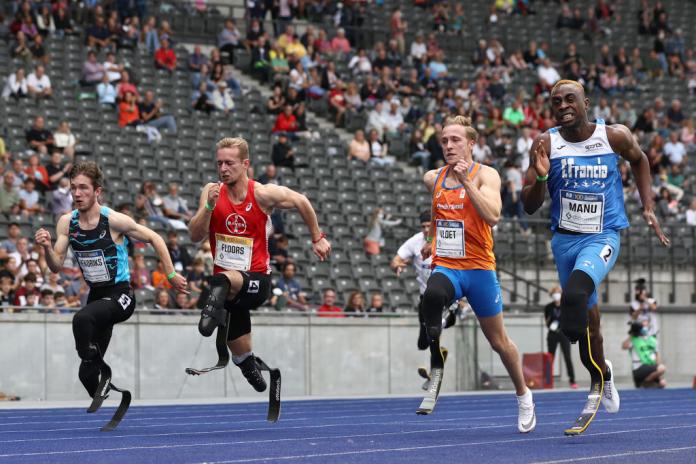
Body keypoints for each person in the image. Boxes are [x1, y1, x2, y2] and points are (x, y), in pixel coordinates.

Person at [521, 79, 670, 435]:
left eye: (570, 99)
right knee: (591, 320)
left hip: (602, 236)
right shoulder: (545, 143)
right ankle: (601, 372)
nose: (563, 105)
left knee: (573, 299)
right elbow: (529, 205)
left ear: (586, 102)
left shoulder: (613, 136)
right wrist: (541, 176)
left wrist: (647, 206)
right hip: (564, 241)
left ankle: (594, 386)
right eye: (556, 101)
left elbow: (641, 159)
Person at [34, 162, 187, 410]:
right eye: (73, 188)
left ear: (97, 191)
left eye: (83, 188)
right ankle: (105, 392)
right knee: (85, 374)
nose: (77, 193)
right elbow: (55, 265)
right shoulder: (67, 222)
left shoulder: (114, 220)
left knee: (81, 320)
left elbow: (154, 237)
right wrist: (47, 249)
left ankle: (101, 367)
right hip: (97, 298)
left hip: (120, 295)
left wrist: (170, 274)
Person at [419, 115, 535, 433]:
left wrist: (467, 182)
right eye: (444, 141)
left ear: (471, 143)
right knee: (432, 294)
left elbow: (494, 216)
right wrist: (431, 241)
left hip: (480, 269)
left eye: (455, 140)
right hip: (449, 265)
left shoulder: (487, 175)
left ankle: (524, 395)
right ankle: (435, 360)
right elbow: (435, 210)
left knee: (499, 342)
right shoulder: (434, 177)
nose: (448, 145)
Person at [188, 137, 330, 393]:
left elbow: (301, 201)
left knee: (221, 281)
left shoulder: (262, 193)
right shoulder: (212, 191)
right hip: (226, 290)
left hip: (256, 281)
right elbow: (195, 235)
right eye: (219, 163)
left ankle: (210, 311)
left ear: (245, 164)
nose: (223, 169)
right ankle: (248, 365)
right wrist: (208, 205)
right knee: (239, 351)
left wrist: (317, 237)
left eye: (229, 163)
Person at [544, 286, 577, 389]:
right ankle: (548, 381)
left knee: (567, 356)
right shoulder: (548, 307)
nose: (556, 295)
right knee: (550, 357)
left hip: (564, 333)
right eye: (554, 293)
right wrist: (550, 322)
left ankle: (572, 380)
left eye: (558, 292)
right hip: (552, 334)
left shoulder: (566, 306)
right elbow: (547, 322)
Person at [622, 321, 666, 388]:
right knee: (662, 368)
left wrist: (658, 374)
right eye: (643, 326)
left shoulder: (651, 340)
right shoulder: (634, 340)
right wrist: (631, 334)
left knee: (662, 383)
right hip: (639, 368)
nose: (644, 328)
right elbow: (624, 346)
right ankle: (646, 381)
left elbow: (656, 356)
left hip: (650, 367)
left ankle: (646, 383)